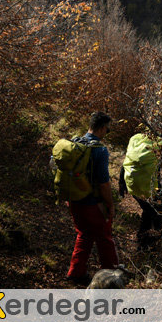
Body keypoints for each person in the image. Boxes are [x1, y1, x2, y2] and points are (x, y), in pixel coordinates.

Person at [66, 112, 119, 286]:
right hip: (93, 204)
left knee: (84, 235)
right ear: (103, 128)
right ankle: (112, 279)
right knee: (104, 238)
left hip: (74, 200)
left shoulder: (74, 144)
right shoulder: (100, 150)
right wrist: (110, 205)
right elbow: (104, 183)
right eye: (107, 129)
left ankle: (75, 273)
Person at [123, 132, 162, 252]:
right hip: (151, 189)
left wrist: (122, 184)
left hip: (134, 186)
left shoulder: (136, 139)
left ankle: (142, 244)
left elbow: (126, 161)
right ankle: (148, 248)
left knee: (148, 212)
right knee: (160, 220)